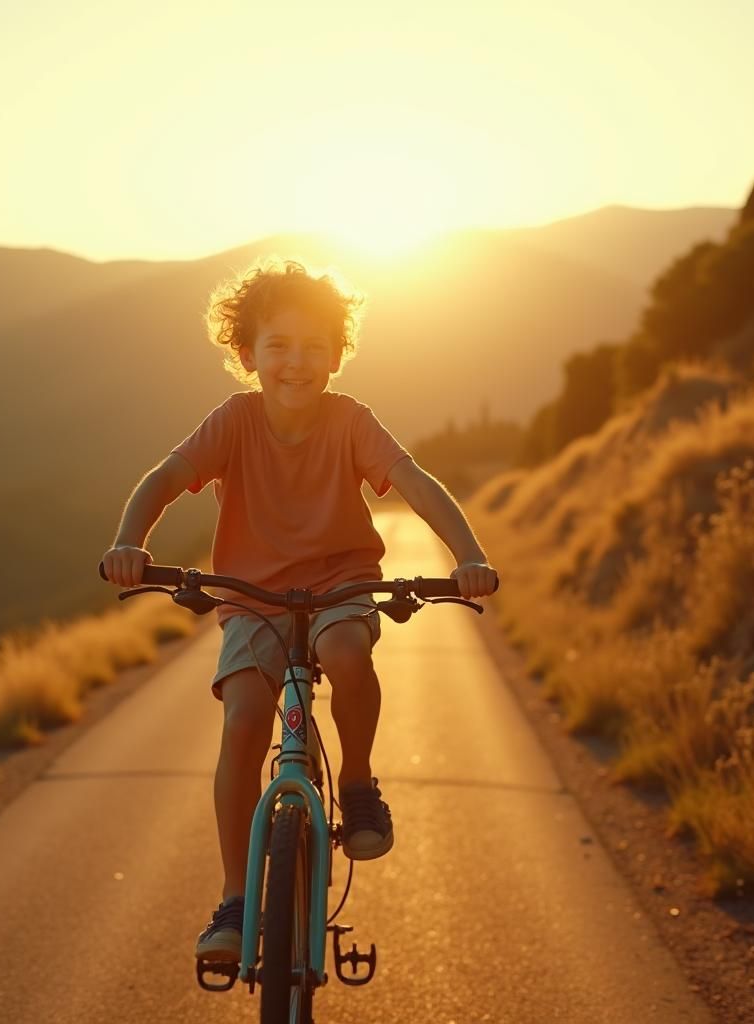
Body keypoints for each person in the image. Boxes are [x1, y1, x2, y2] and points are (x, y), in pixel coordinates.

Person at [100, 258, 498, 963]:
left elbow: (414, 481)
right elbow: (165, 477)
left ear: (338, 355)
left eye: (315, 346)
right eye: (278, 345)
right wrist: (130, 541)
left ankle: (358, 782)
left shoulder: (350, 420)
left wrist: (468, 554)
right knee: (244, 721)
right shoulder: (234, 421)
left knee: (347, 652)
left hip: (341, 584)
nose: (296, 362)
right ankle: (234, 900)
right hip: (252, 596)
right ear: (247, 354)